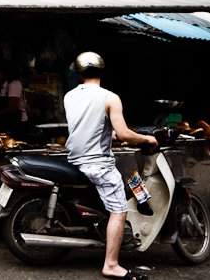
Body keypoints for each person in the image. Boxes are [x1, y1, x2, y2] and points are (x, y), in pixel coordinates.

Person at [65, 52, 157, 280]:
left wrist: (110, 135)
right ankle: (112, 265)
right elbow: (126, 134)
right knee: (119, 209)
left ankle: (142, 200)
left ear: (79, 73)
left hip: (77, 158)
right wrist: (147, 139)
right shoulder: (110, 97)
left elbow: (87, 125)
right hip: (97, 163)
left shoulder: (69, 96)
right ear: (103, 72)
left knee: (127, 176)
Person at [0, 60, 28, 133]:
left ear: (0, 73)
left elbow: (12, 108)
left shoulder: (14, 84)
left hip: (17, 125)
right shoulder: (1, 86)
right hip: (5, 124)